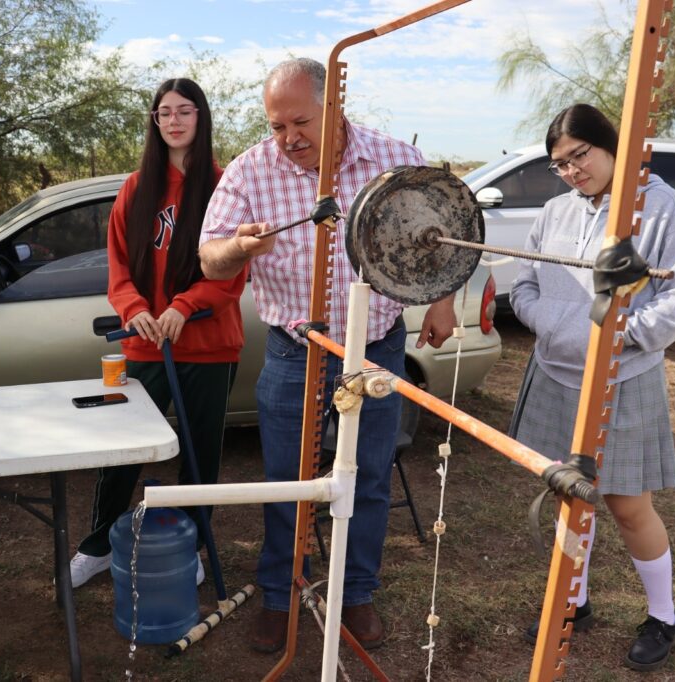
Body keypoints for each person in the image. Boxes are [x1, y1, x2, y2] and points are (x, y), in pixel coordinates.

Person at [198, 57, 456, 653]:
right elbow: (208, 259)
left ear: (334, 107)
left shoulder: (393, 160)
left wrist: (440, 301)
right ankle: (278, 596)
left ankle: (355, 593)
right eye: (277, 125)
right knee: (289, 481)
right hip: (296, 351)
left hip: (377, 349)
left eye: (300, 122)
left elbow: (440, 234)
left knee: (365, 478)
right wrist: (237, 247)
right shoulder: (250, 172)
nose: (288, 138)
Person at [509, 103, 675, 671]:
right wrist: (553, 325)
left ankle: (663, 615)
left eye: (580, 156)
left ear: (613, 147)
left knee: (626, 504)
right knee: (571, 494)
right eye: (559, 164)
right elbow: (523, 283)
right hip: (555, 372)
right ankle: (575, 601)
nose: (571, 171)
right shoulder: (552, 211)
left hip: (623, 377)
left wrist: (617, 337)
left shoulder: (662, 209)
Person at [69, 78, 246, 589]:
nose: (173, 121)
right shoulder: (136, 187)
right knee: (123, 449)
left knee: (198, 453)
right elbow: (119, 266)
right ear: (155, 121)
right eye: (164, 112)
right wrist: (136, 308)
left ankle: (191, 548)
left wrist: (185, 307)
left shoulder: (223, 187)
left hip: (208, 345)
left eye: (184, 111)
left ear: (201, 118)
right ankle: (98, 545)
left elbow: (233, 270)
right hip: (144, 340)